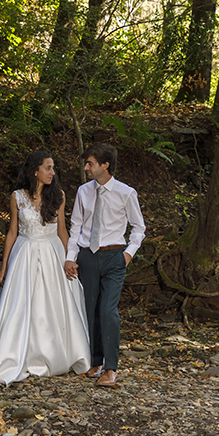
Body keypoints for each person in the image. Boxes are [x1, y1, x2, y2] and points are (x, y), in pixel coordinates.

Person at [0, 151, 91, 389]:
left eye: (53, 168)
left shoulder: (58, 196)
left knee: (52, 304)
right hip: (25, 253)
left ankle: (55, 354)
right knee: (22, 306)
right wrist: (5, 264)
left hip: (52, 253)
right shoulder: (17, 197)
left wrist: (70, 259)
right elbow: (12, 232)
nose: (53, 172)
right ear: (35, 171)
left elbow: (62, 232)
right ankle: (20, 356)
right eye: (48, 168)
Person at [63, 143, 146, 388]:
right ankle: (95, 362)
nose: (86, 168)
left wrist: (128, 255)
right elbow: (76, 226)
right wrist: (71, 256)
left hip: (114, 257)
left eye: (90, 163)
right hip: (87, 257)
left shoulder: (126, 193)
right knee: (89, 310)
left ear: (105, 165)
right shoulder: (83, 192)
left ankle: (111, 368)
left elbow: (139, 228)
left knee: (108, 311)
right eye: (86, 163)